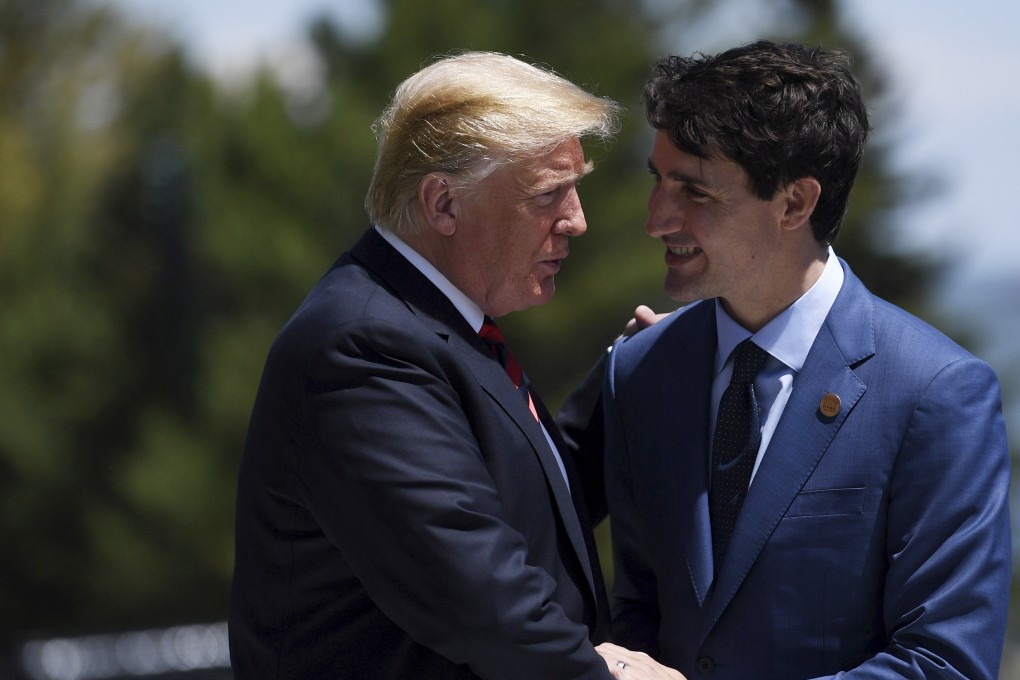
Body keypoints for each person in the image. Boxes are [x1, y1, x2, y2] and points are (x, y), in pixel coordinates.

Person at [228, 51, 682, 679]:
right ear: (443, 204)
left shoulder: (421, 324)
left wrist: (633, 374)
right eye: (549, 193)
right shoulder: (363, 346)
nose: (577, 220)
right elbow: (476, 592)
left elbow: (520, 495)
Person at [603, 40, 1011, 679]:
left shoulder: (937, 392)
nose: (657, 219)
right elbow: (636, 612)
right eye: (659, 181)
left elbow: (946, 665)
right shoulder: (638, 370)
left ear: (794, 203)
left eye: (696, 193)